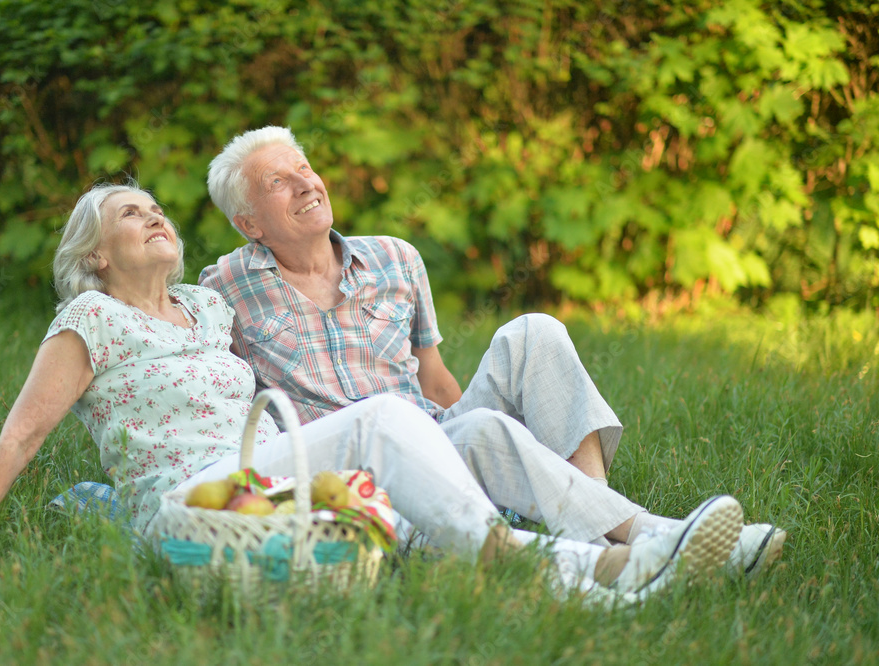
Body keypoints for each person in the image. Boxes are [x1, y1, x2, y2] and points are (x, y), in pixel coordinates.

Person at [0, 182, 745, 604]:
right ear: (94, 256)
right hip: (193, 502)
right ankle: (546, 563)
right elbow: (18, 440)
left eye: (158, 209)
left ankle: (631, 555)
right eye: (131, 214)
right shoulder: (90, 319)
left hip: (274, 479)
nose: (155, 216)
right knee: (384, 420)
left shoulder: (206, 309)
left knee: (472, 438)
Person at [199, 126, 785, 575]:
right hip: (360, 477)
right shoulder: (223, 289)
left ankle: (606, 520)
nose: (306, 183)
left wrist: (463, 434)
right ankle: (654, 537)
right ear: (249, 224)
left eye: (304, 168)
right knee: (481, 429)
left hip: (440, 437)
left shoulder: (395, 258)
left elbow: (434, 380)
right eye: (278, 182)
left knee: (534, 331)